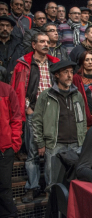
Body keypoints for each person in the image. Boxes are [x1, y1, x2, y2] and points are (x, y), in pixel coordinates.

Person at [11, 32, 60, 203]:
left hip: (52, 114)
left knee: (51, 153)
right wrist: (28, 110)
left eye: (48, 41)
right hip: (34, 113)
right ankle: (32, 188)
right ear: (34, 45)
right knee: (32, 153)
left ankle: (50, 189)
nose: (46, 44)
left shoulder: (55, 64)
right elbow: (17, 89)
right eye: (42, 41)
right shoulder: (24, 64)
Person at [32, 61, 87, 191]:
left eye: (71, 72)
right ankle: (54, 210)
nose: (69, 75)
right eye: (65, 72)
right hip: (55, 145)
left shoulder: (77, 95)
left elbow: (82, 119)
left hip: (76, 145)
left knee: (76, 183)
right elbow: (37, 120)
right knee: (53, 183)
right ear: (57, 75)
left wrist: (83, 139)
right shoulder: (46, 95)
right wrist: (40, 143)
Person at [0, 81, 22, 218]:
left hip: (4, 149)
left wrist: (14, 144)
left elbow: (16, 118)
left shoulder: (6, 90)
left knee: (4, 187)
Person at [73, 51, 92, 127]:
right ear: (82, 62)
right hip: (84, 116)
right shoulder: (76, 78)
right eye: (87, 60)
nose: (90, 62)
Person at [0, 16, 24, 83]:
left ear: (12, 28)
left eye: (7, 26)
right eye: (2, 25)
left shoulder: (19, 45)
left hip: (14, 81)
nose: (5, 29)